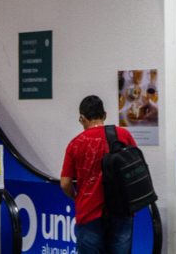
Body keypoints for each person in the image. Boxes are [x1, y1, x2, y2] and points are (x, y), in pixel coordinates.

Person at [61, 95, 137, 254]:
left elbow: (65, 183)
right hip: (121, 210)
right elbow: (137, 167)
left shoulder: (75, 144)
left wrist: (76, 197)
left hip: (89, 213)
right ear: (105, 115)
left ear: (82, 118)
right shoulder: (123, 135)